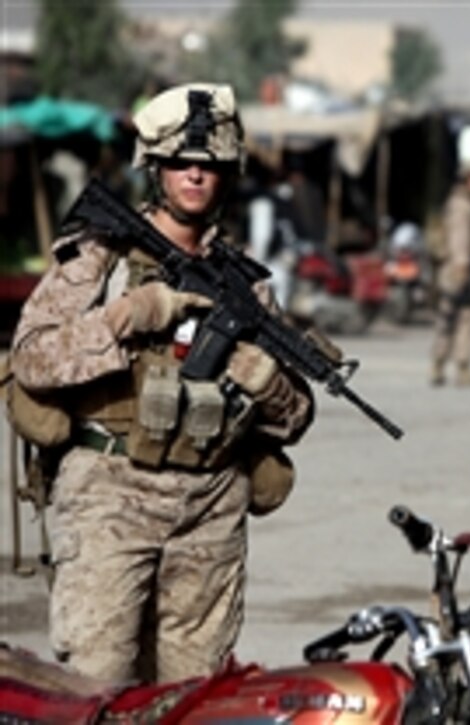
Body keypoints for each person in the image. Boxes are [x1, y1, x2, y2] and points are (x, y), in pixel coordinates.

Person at [9, 83, 315, 684]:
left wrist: (268, 384)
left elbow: (297, 416)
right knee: (96, 689)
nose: (195, 176)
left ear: (229, 175)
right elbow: (33, 358)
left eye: (210, 165)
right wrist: (126, 316)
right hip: (111, 495)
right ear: (155, 169)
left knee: (193, 697)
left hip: (211, 508)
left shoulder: (245, 285)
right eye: (180, 162)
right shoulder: (101, 255)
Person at [431, 160, 470, 387]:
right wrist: (462, 266)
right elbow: (460, 238)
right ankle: (456, 367)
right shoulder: (463, 206)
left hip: (456, 267)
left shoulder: (462, 202)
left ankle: (443, 366)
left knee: (454, 318)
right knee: (460, 318)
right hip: (458, 268)